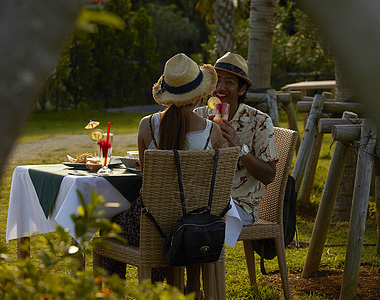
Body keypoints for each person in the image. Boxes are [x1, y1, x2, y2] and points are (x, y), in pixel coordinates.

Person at [101, 53, 226, 299]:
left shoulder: (146, 126)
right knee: (182, 211)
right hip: (198, 227)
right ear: (200, 94)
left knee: (107, 229)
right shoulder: (214, 132)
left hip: (153, 229)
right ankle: (186, 288)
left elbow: (147, 180)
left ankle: (114, 294)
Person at [195, 52, 278, 225]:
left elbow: (269, 176)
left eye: (229, 82)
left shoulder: (259, 121)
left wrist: (239, 147)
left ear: (242, 90)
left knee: (202, 223)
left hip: (240, 205)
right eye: (217, 80)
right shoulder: (200, 116)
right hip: (200, 199)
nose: (220, 87)